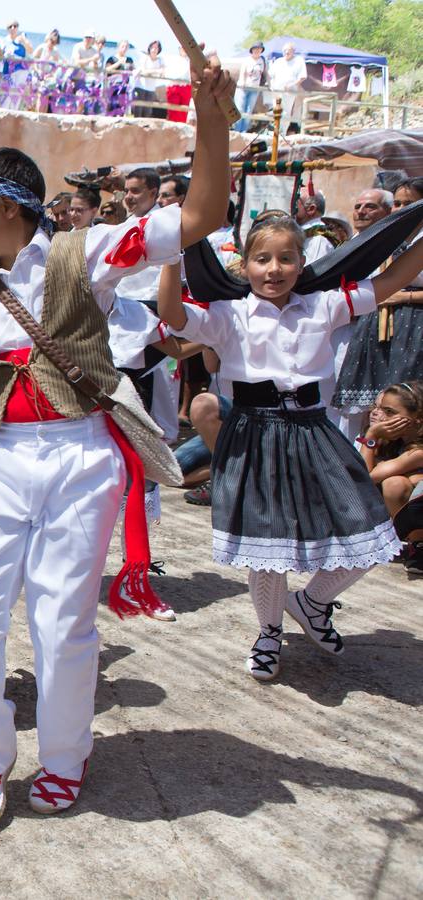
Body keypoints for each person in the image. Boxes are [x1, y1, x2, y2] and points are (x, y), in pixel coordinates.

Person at [0, 56, 233, 833]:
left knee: (61, 622)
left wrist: (210, 119)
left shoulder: (92, 255)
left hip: (82, 459)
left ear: (8, 209)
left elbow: (201, 217)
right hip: (0, 460)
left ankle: (64, 758)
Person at [160, 217, 423, 682]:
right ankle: (268, 632)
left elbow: (394, 279)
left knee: (369, 528)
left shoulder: (323, 305)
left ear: (303, 263)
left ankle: (313, 601)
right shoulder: (231, 313)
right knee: (268, 543)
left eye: (286, 258)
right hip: (255, 432)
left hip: (313, 430)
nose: (274, 269)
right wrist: (169, 256)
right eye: (262, 259)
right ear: (245, 265)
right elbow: (175, 316)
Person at [333, 188, 417, 437]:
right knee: (358, 406)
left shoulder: (407, 245)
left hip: (408, 330)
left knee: (401, 401)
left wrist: (404, 296)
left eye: (409, 203)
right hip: (365, 329)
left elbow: (393, 282)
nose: (402, 209)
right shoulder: (364, 242)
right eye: (398, 203)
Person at [360, 382, 423, 520]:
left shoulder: (418, 452)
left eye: (389, 412)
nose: (380, 416)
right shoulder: (395, 441)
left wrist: (372, 435)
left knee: (394, 484)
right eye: (379, 408)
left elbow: (364, 477)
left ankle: (408, 539)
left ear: (417, 420)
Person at [268, 42, 308, 132]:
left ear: (293, 51)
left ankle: (283, 132)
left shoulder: (298, 60)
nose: (286, 52)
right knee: (276, 110)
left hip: (289, 92)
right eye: (284, 50)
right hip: (277, 91)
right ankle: (275, 130)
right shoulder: (278, 61)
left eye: (288, 50)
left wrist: (292, 85)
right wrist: (271, 86)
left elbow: (303, 77)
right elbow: (270, 75)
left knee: (286, 112)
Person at [235, 42, 267, 132]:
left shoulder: (262, 61)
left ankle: (244, 130)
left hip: (254, 88)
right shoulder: (247, 60)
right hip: (244, 87)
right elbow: (243, 72)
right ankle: (238, 130)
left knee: (249, 110)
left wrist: (269, 84)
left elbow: (265, 73)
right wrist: (243, 83)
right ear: (252, 50)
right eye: (255, 49)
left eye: (259, 49)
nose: (257, 50)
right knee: (240, 108)